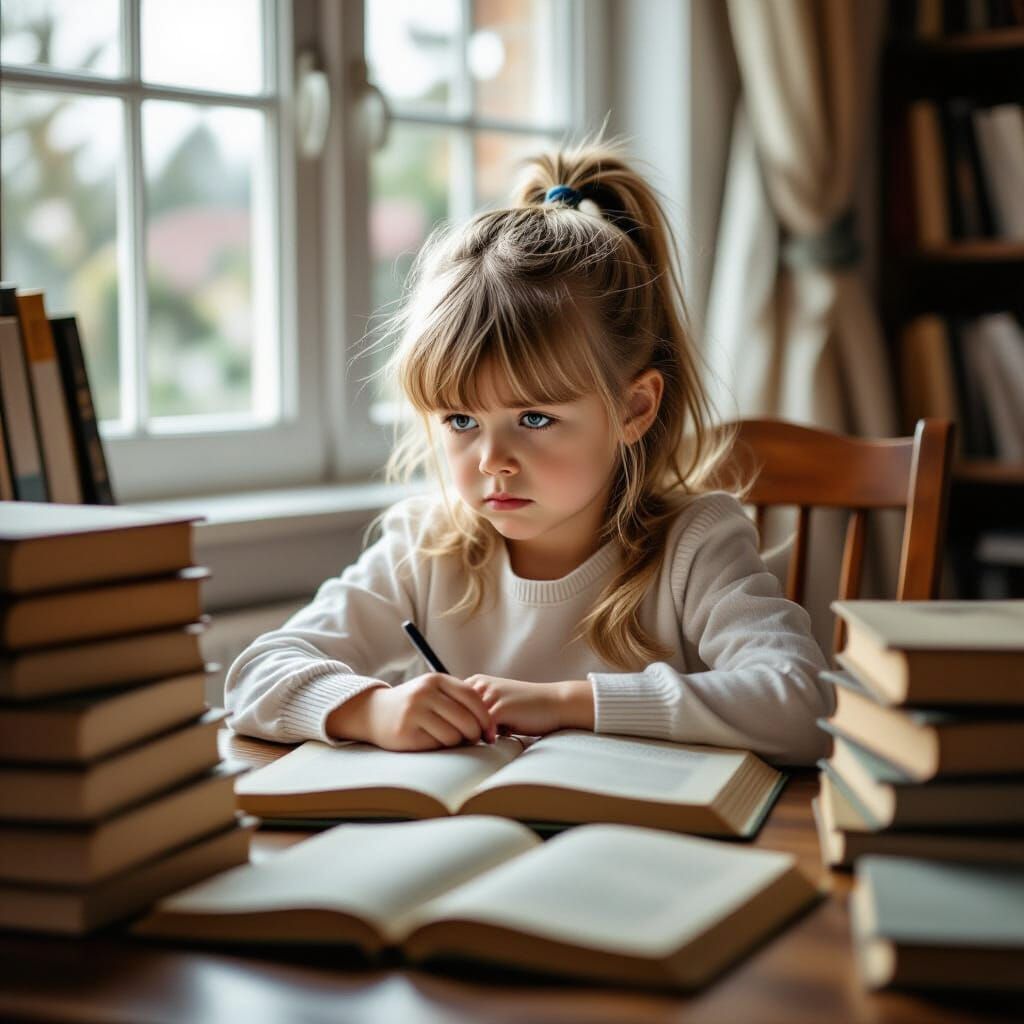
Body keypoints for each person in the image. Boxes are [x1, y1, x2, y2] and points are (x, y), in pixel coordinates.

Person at [225, 137, 831, 765]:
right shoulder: (425, 548)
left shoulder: (695, 545)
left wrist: (565, 703)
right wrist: (372, 709)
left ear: (634, 409)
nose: (492, 460)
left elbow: (804, 704)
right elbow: (254, 674)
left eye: (534, 417)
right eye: (460, 419)